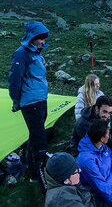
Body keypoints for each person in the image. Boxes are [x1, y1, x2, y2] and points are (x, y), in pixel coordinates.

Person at [8, 21, 50, 185]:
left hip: (40, 99)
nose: (43, 42)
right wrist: (16, 100)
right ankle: (38, 175)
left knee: (35, 136)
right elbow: (14, 80)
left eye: (44, 39)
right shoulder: (21, 53)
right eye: (40, 39)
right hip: (31, 101)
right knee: (40, 141)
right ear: (32, 37)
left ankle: (32, 170)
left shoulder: (37, 52)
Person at [67, 95, 112, 161]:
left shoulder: (104, 118)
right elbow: (87, 147)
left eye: (109, 113)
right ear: (97, 108)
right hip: (85, 152)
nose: (107, 116)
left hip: (101, 142)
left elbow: (107, 135)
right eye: (105, 112)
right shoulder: (83, 124)